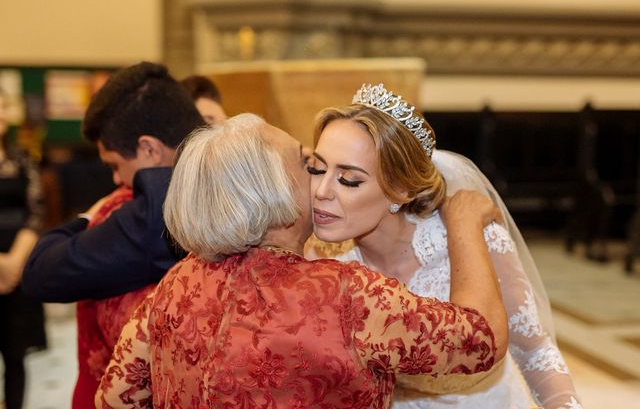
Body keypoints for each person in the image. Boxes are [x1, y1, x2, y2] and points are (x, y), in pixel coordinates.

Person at [96, 113, 508, 408]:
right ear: (273, 190)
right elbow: (481, 340)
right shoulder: (346, 295)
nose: (322, 184)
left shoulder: (177, 282)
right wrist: (464, 224)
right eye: (308, 164)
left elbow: (115, 398)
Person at [307, 83, 583, 409]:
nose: (321, 191)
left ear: (400, 191)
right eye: (316, 168)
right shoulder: (317, 263)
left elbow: (535, 350)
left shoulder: (472, 239)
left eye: (349, 179)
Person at [21, 62, 205, 408]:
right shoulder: (237, 176)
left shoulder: (160, 204)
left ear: (150, 149)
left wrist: (86, 217)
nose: (118, 181)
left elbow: (41, 273)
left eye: (116, 166)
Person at [0, 89, 47, 409]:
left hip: (17, 265)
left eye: (3, 104)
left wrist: (14, 261)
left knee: (15, 355)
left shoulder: (21, 158)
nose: (1, 111)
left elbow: (37, 211)